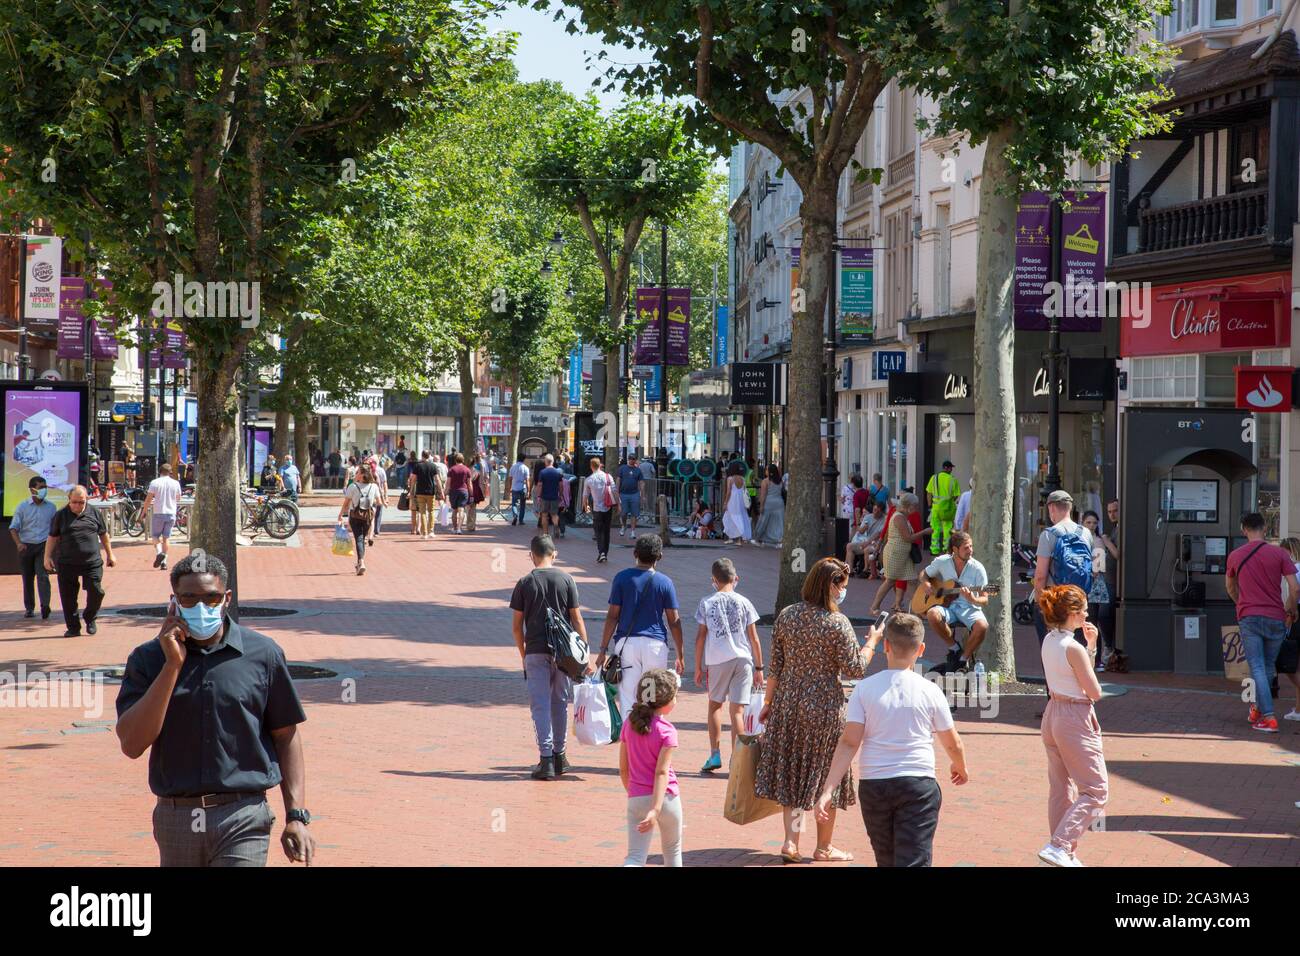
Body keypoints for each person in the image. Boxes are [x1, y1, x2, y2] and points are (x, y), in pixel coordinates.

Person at [115, 552, 315, 867]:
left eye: (211, 598)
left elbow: (286, 735)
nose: (201, 607)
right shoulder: (148, 660)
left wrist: (296, 815)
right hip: (176, 816)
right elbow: (132, 744)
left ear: (227, 598)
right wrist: (171, 667)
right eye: (189, 598)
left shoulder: (263, 654)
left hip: (243, 815)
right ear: (174, 601)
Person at [815, 613, 968, 867]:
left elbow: (849, 742)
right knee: (914, 859)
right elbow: (952, 742)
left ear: (885, 645)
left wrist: (828, 789)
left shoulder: (864, 689)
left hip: (875, 784)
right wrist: (959, 765)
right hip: (918, 782)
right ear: (921, 650)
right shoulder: (930, 690)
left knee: (885, 858)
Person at [755, 557, 871, 863]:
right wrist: (872, 643)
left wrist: (767, 704)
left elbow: (775, 667)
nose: (843, 592)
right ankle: (823, 846)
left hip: (788, 703)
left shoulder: (787, 616)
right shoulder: (837, 623)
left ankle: (791, 843)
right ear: (831, 586)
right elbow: (855, 668)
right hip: (825, 706)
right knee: (826, 775)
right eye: (842, 586)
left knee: (794, 772)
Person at [1035, 584, 1107, 866]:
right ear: (1073, 613)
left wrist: (1088, 646)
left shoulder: (1050, 641)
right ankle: (1060, 846)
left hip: (1053, 712)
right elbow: (1094, 691)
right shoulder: (1073, 647)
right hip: (1074, 717)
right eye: (1084, 609)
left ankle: (1061, 851)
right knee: (1096, 789)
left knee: (1061, 787)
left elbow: (1070, 676)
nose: (1088, 613)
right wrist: (1090, 648)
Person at [510, 534, 592, 780]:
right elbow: (577, 618)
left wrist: (524, 654)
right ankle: (560, 755)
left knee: (540, 705)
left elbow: (517, 626)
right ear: (554, 554)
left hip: (536, 649)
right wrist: (584, 653)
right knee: (559, 702)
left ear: (532, 555)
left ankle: (545, 759)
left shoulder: (525, 583)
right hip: (564, 654)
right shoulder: (567, 580)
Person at [595, 534, 684, 718]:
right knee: (652, 697)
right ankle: (651, 736)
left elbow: (612, 617)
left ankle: (630, 739)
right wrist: (680, 654)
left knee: (628, 696)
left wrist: (603, 650)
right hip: (655, 646)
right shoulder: (665, 582)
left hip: (627, 645)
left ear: (635, 553)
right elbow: (674, 621)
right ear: (659, 556)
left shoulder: (621, 578)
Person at [1225, 513, 1298, 733]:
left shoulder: (1236, 555)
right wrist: (1291, 610)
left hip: (1249, 616)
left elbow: (1229, 586)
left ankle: (1268, 716)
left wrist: (1241, 604)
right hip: (1276, 617)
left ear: (1243, 529)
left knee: (1256, 665)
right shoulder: (1278, 554)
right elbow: (1295, 587)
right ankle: (1257, 708)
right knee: (1267, 666)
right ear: (1265, 528)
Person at [693, 558, 764, 773]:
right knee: (737, 711)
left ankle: (715, 754)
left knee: (715, 705)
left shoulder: (707, 602)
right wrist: (759, 668)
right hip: (743, 659)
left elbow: (700, 637)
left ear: (714, 579)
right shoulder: (745, 602)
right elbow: (754, 638)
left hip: (718, 659)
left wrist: (698, 666)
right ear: (736, 578)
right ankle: (738, 758)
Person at [619, 668, 683, 867]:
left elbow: (623, 768)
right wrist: (655, 808)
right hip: (666, 798)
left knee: (635, 857)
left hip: (636, 796)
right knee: (672, 851)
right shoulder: (667, 731)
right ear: (665, 702)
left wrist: (633, 791)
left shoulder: (629, 724)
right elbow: (662, 771)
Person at [1032, 490, 1095, 681]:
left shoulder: (1049, 535)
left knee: (1051, 650)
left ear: (1051, 508)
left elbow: (1041, 575)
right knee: (1076, 647)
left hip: (1055, 601)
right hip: (1077, 601)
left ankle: (1054, 697)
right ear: (1070, 508)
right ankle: (1078, 687)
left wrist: (1038, 601)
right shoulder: (1086, 533)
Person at [44, 485, 115, 637]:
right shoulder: (60, 515)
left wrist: (110, 554)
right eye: (74, 502)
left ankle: (90, 617)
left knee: (96, 591)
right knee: (68, 596)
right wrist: (47, 557)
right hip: (67, 562)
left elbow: (103, 534)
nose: (77, 506)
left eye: (81, 502)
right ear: (69, 500)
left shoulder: (94, 512)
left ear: (86, 500)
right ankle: (73, 627)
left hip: (92, 562)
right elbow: (52, 537)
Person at [919, 531, 989, 673]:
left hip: (969, 607)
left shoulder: (978, 568)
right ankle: (954, 648)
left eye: (971, 546)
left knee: (982, 626)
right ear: (955, 549)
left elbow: (985, 599)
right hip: (948, 606)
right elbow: (923, 574)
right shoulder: (942, 561)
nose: (970, 550)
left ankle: (962, 660)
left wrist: (973, 599)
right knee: (932, 613)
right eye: (966, 548)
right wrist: (926, 584)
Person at [868, 493, 931, 616]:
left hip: (903, 554)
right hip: (895, 554)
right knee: (890, 581)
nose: (917, 508)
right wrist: (924, 532)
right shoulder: (899, 517)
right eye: (915, 506)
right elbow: (908, 538)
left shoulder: (903, 516)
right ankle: (874, 607)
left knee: (912, 580)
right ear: (908, 506)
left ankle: (916, 609)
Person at [10, 476, 56, 619]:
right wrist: (19, 543)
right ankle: (29, 608)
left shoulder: (51, 507)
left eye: (45, 487)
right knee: (27, 578)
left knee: (43, 576)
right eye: (41, 487)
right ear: (32, 489)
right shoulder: (22, 507)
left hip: (43, 545)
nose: (44, 490)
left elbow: (55, 530)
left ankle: (45, 606)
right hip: (26, 547)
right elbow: (13, 528)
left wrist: (52, 550)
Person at [1080, 510, 1115, 671]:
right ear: (1082, 523)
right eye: (1089, 522)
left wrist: (1093, 568)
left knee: (1096, 620)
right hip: (1082, 582)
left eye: (1094, 523)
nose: (1092, 525)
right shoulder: (1079, 539)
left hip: (1097, 583)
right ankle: (1085, 658)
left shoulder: (1099, 540)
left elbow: (1099, 565)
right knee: (1086, 620)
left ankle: (1098, 658)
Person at [337, 464, 380, 576]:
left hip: (355, 516)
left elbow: (346, 503)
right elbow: (378, 502)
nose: (355, 475)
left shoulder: (353, 486)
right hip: (367, 517)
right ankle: (359, 563)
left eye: (357, 473)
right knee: (362, 538)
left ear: (362, 475)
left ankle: (361, 562)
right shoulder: (373, 486)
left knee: (359, 539)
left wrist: (340, 515)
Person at [141, 463, 183, 572]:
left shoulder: (155, 482)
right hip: (171, 513)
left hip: (158, 512)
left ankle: (159, 553)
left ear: (160, 471)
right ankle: (164, 562)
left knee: (155, 536)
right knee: (166, 538)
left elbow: (148, 499)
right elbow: (178, 498)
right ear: (170, 472)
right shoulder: (175, 483)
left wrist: (144, 511)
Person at [1275, 537, 1300, 721]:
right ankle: (1298, 708)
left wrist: (1290, 612)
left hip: (1297, 616)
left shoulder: (1295, 570)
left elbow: (1294, 592)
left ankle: (1299, 710)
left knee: (1292, 665)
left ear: (1290, 551)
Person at [582, 456, 616, 563]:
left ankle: (601, 552)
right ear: (600, 465)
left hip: (597, 508)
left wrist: (585, 505)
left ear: (591, 466)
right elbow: (614, 491)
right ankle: (604, 552)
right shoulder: (608, 476)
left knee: (598, 531)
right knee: (606, 530)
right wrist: (619, 504)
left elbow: (585, 495)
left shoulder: (589, 479)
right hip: (608, 506)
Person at [925, 460, 961, 555]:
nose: (951, 470)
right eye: (951, 468)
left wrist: (929, 505)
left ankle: (934, 550)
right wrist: (950, 501)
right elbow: (956, 495)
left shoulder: (934, 478)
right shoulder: (953, 479)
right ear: (947, 468)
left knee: (935, 529)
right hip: (948, 509)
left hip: (936, 508)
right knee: (947, 529)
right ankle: (946, 550)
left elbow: (929, 493)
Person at [846, 502, 886, 578]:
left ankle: (865, 570)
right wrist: (862, 525)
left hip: (877, 544)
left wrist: (867, 543)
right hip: (867, 542)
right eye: (874, 510)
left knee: (867, 549)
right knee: (849, 546)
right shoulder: (868, 517)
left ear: (882, 512)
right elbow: (860, 531)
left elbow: (877, 535)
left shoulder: (884, 520)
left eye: (878, 511)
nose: (875, 512)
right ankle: (850, 571)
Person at [751, 463, 785, 546]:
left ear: (769, 471)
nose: (765, 471)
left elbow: (763, 495)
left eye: (766, 469)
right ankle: (779, 540)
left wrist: (761, 506)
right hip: (779, 502)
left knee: (763, 521)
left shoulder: (765, 481)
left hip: (769, 502)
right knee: (779, 522)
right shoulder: (780, 481)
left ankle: (758, 539)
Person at [408, 449, 439, 538]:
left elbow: (413, 480)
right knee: (431, 511)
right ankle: (431, 531)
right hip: (431, 491)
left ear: (422, 455)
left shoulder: (417, 466)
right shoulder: (433, 466)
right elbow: (437, 479)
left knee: (422, 512)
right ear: (429, 456)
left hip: (420, 492)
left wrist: (411, 492)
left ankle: (424, 533)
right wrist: (441, 491)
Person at [535, 454, 564, 538]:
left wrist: (538, 496)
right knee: (554, 514)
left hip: (544, 497)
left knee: (544, 515)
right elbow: (561, 485)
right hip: (555, 496)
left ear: (545, 462)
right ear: (553, 462)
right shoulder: (557, 472)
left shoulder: (542, 472)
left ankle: (545, 533)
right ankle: (556, 526)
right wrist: (561, 494)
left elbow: (540, 485)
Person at [616, 455, 645, 538]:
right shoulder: (622, 468)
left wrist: (642, 495)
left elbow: (641, 483)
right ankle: (624, 526)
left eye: (633, 459)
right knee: (623, 513)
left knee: (634, 513)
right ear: (628, 459)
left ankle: (632, 531)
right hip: (623, 493)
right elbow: (618, 480)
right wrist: (617, 491)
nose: (631, 460)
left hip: (634, 494)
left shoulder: (638, 470)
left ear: (635, 460)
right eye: (630, 459)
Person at [444, 452, 473, 535]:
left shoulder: (451, 469)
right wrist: (471, 494)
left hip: (453, 491)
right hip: (464, 491)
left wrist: (445, 491)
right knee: (462, 510)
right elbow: (469, 484)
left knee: (454, 510)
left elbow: (448, 482)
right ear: (463, 460)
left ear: (455, 460)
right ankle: (459, 528)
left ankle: (455, 528)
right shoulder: (467, 470)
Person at [722, 468, 751, 544]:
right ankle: (737, 539)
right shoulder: (742, 479)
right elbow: (744, 490)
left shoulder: (730, 479)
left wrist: (725, 502)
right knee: (739, 517)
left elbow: (729, 492)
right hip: (740, 500)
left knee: (729, 517)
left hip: (732, 500)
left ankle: (732, 538)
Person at [508, 453, 531, 526]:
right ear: (524, 459)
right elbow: (527, 480)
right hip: (522, 487)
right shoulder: (525, 468)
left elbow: (510, 478)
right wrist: (528, 491)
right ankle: (521, 520)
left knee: (514, 504)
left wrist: (510, 487)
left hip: (515, 487)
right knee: (522, 505)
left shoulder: (513, 467)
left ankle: (515, 515)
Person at [370, 458, 389, 537]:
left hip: (370, 495)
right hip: (377, 495)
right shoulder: (380, 471)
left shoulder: (367, 472)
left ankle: (370, 532)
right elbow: (384, 483)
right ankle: (376, 531)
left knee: (371, 514)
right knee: (378, 512)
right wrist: (385, 497)